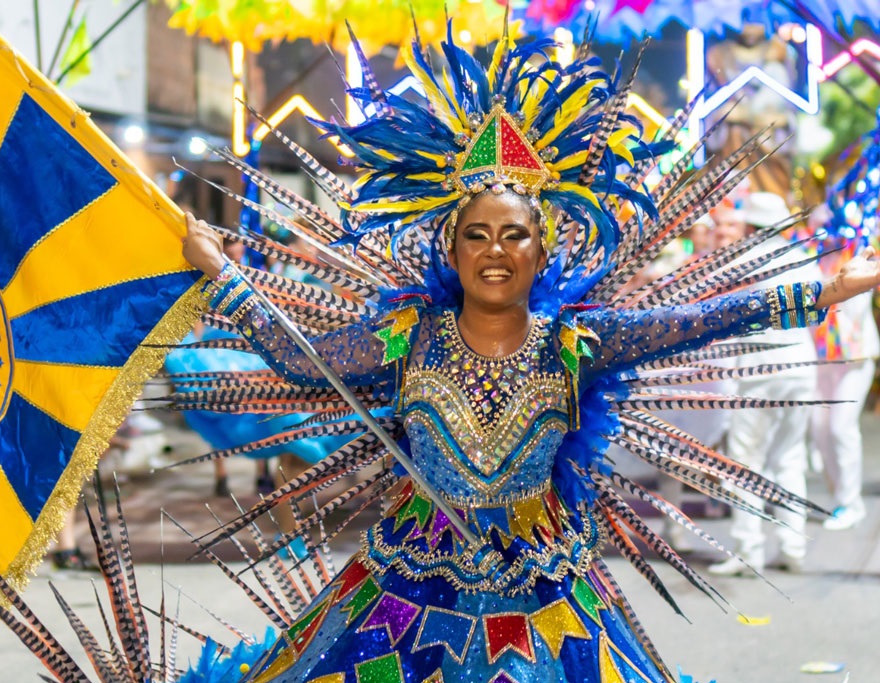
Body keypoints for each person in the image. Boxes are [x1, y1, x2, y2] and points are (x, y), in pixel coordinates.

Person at [177, 30, 880, 678]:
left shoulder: (574, 343)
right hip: (404, 591)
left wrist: (818, 293)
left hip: (545, 595)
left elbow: (691, 322)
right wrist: (224, 278)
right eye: (476, 234)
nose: (494, 252)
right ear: (451, 248)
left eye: (514, 235)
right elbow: (304, 358)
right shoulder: (409, 335)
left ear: (542, 251)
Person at [706, 192, 823, 576]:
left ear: (751, 226)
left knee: (746, 463)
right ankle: (794, 548)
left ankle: (748, 551)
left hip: (759, 370)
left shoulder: (744, 261)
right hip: (800, 366)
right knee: (789, 456)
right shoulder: (804, 259)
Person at [809, 208, 879, 531]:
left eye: (831, 229)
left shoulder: (857, 260)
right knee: (820, 429)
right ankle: (842, 499)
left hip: (855, 357)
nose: (827, 235)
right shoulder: (810, 262)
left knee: (840, 428)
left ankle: (851, 503)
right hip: (821, 359)